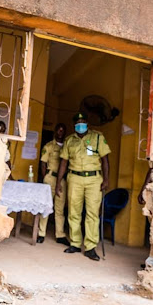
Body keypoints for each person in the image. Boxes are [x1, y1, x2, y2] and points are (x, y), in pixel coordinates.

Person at [55, 112, 110, 261]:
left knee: (92, 213)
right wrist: (58, 181)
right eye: (78, 121)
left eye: (83, 121)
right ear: (74, 124)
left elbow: (105, 159)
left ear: (87, 122)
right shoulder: (69, 141)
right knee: (74, 212)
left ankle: (91, 247)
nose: (81, 124)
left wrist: (106, 179)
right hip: (74, 178)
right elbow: (63, 162)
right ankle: (75, 243)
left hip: (94, 179)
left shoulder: (97, 137)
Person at [36, 123, 70, 245]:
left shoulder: (68, 146)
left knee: (59, 209)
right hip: (50, 178)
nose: (60, 133)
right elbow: (43, 163)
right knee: (46, 206)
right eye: (58, 130)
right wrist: (45, 176)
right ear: (55, 132)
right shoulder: (49, 146)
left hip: (62, 181)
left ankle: (60, 235)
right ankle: (41, 233)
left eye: (63, 131)